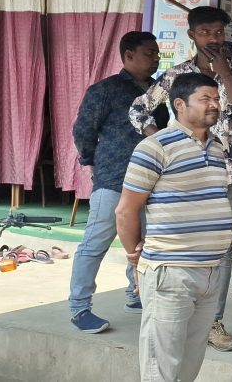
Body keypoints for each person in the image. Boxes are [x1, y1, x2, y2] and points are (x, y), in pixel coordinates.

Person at [128, 6, 232, 352]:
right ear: (192, 35)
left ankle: (213, 320)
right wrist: (161, 140)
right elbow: (138, 109)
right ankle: (176, 309)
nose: (213, 39)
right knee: (179, 243)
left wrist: (225, 73)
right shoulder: (177, 75)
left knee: (221, 247)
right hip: (180, 173)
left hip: (229, 172)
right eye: (205, 33)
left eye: (219, 32)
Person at [115, 73, 232, 382]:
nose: (214, 105)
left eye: (216, 98)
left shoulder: (216, 147)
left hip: (210, 272)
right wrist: (134, 258)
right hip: (170, 272)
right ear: (179, 104)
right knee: (161, 368)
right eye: (205, 99)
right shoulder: (155, 147)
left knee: (189, 364)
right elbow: (126, 210)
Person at [68, 31, 168, 334]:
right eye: (149, 53)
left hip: (151, 179)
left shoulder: (157, 92)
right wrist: (92, 160)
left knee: (144, 242)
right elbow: (83, 131)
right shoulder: (105, 90)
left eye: (157, 54)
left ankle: (136, 294)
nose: (155, 59)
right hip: (114, 178)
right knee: (95, 244)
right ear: (128, 55)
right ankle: (79, 308)